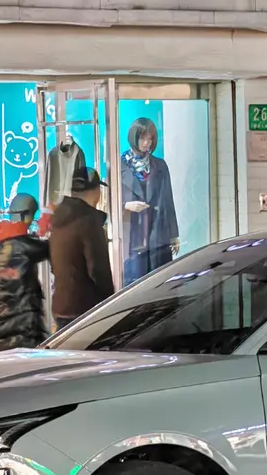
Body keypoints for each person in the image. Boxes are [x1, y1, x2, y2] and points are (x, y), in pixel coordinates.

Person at [48, 169, 115, 330]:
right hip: (85, 309)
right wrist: (110, 304)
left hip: (61, 305)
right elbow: (98, 270)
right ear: (95, 191)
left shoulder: (58, 219)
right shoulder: (89, 221)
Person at [0, 194, 50, 351]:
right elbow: (51, 248)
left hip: (0, 323)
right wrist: (52, 223)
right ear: (26, 215)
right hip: (21, 327)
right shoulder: (22, 245)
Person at [120, 117, 180, 286]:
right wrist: (126, 206)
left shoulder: (160, 165)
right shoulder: (119, 166)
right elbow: (108, 201)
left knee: (159, 281)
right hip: (132, 231)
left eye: (150, 138)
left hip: (157, 229)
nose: (146, 143)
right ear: (134, 137)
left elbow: (168, 200)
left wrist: (174, 234)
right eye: (142, 138)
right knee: (135, 283)